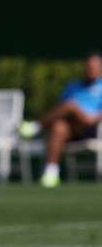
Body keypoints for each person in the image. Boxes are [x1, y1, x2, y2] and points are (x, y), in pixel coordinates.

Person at [37, 51, 102, 187]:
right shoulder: (73, 86)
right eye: (88, 66)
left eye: (94, 66)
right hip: (72, 128)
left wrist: (94, 117)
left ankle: (36, 126)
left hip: (93, 126)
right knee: (59, 126)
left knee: (70, 105)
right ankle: (51, 173)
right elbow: (59, 109)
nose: (91, 69)